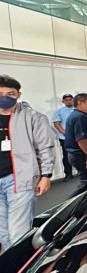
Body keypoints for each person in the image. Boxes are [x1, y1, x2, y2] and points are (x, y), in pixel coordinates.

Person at [0, 75, 54, 251]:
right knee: (3, 232)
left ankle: (23, 261)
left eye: (10, 93)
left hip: (19, 179)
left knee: (18, 231)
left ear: (18, 94)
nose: (4, 97)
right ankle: (13, 263)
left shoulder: (33, 117)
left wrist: (46, 175)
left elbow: (44, 147)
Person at [65, 93, 87, 198]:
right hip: (81, 155)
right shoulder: (80, 117)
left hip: (80, 154)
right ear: (80, 103)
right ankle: (69, 204)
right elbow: (81, 139)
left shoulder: (78, 115)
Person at [51, 94, 74, 181]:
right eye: (66, 100)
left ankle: (83, 172)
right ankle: (68, 174)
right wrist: (65, 133)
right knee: (67, 155)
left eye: (70, 99)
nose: (69, 101)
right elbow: (57, 124)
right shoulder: (59, 111)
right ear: (63, 101)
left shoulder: (77, 110)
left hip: (78, 137)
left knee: (81, 155)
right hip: (65, 138)